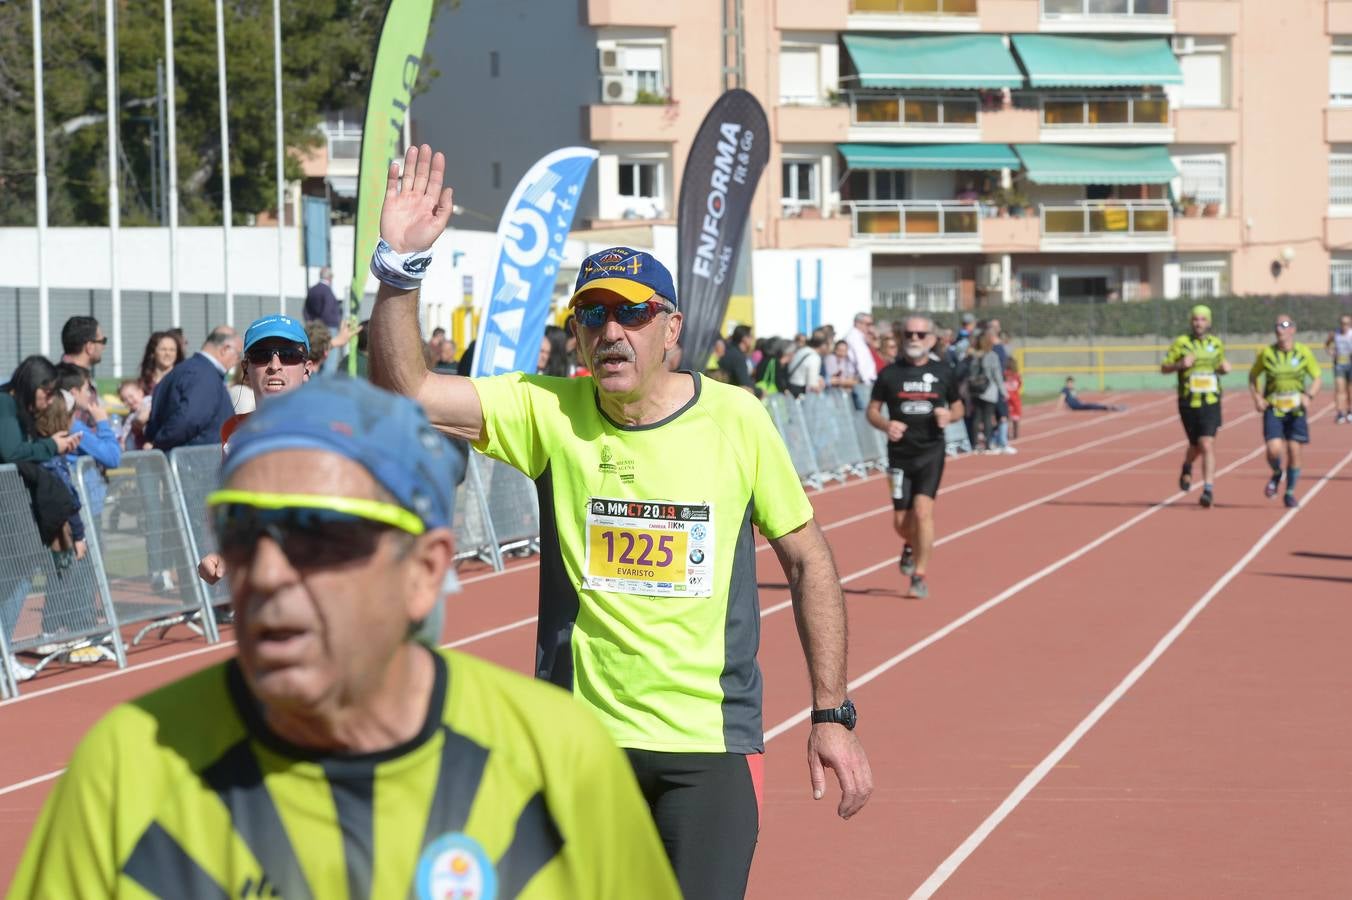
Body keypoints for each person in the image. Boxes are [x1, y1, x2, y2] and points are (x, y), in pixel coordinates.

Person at [367, 144, 871, 899]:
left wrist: (831, 712)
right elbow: (407, 387)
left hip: (708, 747)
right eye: (592, 315)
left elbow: (809, 561)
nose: (611, 331)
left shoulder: (737, 420)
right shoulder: (548, 412)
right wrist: (399, 268)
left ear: (670, 328)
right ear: (575, 334)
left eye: (631, 314)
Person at [9, 377, 681, 899]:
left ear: (424, 572)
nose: (268, 574)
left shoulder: (562, 763)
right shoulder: (129, 768)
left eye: (316, 533)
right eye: (241, 531)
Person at [867, 316, 962, 599]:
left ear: (931, 339)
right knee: (901, 522)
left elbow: (958, 408)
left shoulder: (944, 371)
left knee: (923, 512)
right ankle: (910, 544)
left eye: (921, 334)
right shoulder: (889, 374)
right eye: (909, 334)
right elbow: (872, 411)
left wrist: (949, 415)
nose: (915, 339)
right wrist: (886, 424)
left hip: (931, 451)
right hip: (899, 455)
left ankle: (919, 575)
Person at [1161, 304, 1231, 507]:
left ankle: (1208, 490)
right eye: (1195, 319)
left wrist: (1224, 368)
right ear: (1191, 322)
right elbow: (1164, 367)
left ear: (1208, 322)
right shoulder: (1181, 343)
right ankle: (1187, 465)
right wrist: (1179, 365)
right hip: (1187, 402)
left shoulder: (1216, 344)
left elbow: (1220, 365)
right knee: (1195, 445)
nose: (1199, 323)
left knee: (1207, 443)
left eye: (1202, 319)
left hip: (1211, 401)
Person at [1249, 314, 1322, 508]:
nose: (1280, 329)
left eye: (1285, 325)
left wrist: (1310, 396)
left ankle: (1289, 492)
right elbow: (1253, 376)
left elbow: (1317, 377)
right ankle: (1276, 472)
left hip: (1296, 410)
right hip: (1274, 408)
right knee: (1273, 449)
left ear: (1293, 330)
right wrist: (1257, 397)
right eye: (1277, 326)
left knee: (1294, 451)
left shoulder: (1303, 352)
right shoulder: (1267, 354)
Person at [144, 326, 240, 452]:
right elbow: (188, 420)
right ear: (225, 349)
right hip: (196, 464)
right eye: (238, 354)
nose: (238, 361)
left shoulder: (183, 371)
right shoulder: (204, 375)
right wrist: (159, 444)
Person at [842, 312, 878, 409]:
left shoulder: (859, 337)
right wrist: (867, 382)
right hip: (862, 384)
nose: (870, 328)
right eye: (868, 324)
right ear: (858, 323)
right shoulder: (854, 338)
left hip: (863, 383)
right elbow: (861, 361)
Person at [137, 330, 184, 396]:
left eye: (172, 350)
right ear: (152, 353)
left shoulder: (183, 381)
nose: (168, 353)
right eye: (163, 349)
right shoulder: (142, 385)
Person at [1325, 313, 1352, 424]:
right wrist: (1330, 352)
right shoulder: (1335, 334)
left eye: (1346, 323)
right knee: (1340, 390)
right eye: (1342, 323)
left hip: (1351, 364)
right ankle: (1340, 413)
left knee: (1350, 390)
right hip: (1339, 364)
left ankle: (1350, 412)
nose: (1344, 325)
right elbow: (1326, 345)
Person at [719, 324, 757, 393]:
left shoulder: (730, 350)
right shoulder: (737, 357)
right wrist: (760, 392)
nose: (753, 339)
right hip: (732, 395)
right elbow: (745, 383)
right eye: (751, 336)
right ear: (744, 339)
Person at [302, 265, 342, 329]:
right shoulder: (327, 291)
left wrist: (309, 322)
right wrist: (321, 324)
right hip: (328, 326)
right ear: (330, 277)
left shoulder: (312, 289)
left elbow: (306, 310)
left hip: (314, 326)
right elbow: (327, 309)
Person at [1058, 377, 1124, 412]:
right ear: (1067, 383)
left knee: (1092, 405)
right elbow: (1062, 399)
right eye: (1070, 383)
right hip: (1076, 406)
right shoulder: (1065, 389)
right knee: (1092, 405)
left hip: (1078, 404)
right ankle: (1109, 407)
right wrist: (1058, 408)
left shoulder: (1073, 390)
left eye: (1072, 383)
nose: (1071, 384)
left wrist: (1069, 406)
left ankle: (1109, 407)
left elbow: (1073, 399)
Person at [1003, 356, 1023, 441]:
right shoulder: (1016, 374)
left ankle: (1006, 434)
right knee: (1015, 417)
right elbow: (1020, 384)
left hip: (1007, 397)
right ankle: (1015, 434)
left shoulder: (1005, 373)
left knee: (1007, 417)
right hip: (1014, 398)